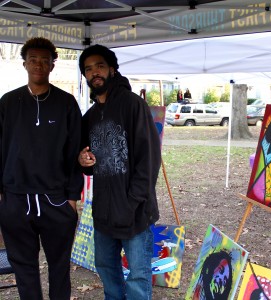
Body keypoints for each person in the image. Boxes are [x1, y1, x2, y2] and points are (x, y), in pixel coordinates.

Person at [0, 37, 83, 300]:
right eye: (33, 60)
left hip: (55, 200)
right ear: (24, 64)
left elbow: (75, 152)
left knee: (60, 267)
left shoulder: (67, 103)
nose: (39, 65)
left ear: (52, 66)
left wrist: (72, 197)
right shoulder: (8, 102)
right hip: (15, 199)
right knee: (24, 268)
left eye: (45, 61)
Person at [78, 44, 161, 299]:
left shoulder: (133, 105)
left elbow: (149, 161)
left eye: (100, 66)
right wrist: (83, 161)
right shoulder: (90, 116)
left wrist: (132, 202)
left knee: (137, 277)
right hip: (103, 212)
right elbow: (87, 162)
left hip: (134, 212)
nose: (95, 73)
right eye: (89, 69)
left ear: (112, 69)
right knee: (106, 269)